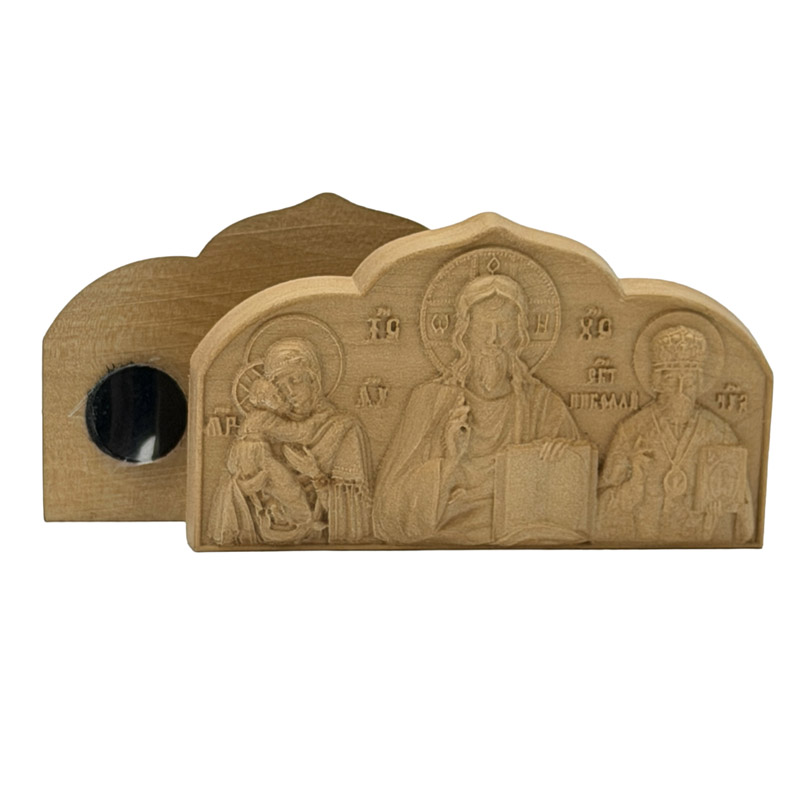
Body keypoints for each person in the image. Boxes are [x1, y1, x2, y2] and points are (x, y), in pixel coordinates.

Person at [373, 273, 581, 545]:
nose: (494, 339)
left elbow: (579, 491)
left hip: (522, 533)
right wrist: (449, 464)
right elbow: (388, 512)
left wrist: (564, 457)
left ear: (518, 335)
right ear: (465, 332)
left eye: (504, 327)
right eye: (484, 327)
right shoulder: (430, 400)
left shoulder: (542, 405)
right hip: (443, 536)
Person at [596, 324, 754, 543]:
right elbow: (600, 514)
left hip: (701, 546)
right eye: (671, 380)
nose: (680, 392)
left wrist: (722, 508)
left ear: (699, 383)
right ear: (657, 381)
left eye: (688, 382)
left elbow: (745, 523)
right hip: (642, 545)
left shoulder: (719, 433)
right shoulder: (632, 431)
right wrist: (634, 484)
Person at [209, 338, 374, 546]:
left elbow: (349, 514)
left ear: (313, 380)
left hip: (316, 534)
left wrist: (315, 475)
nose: (288, 391)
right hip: (264, 528)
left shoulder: (343, 429)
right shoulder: (265, 423)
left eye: (295, 380)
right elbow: (233, 475)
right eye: (279, 385)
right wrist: (244, 486)